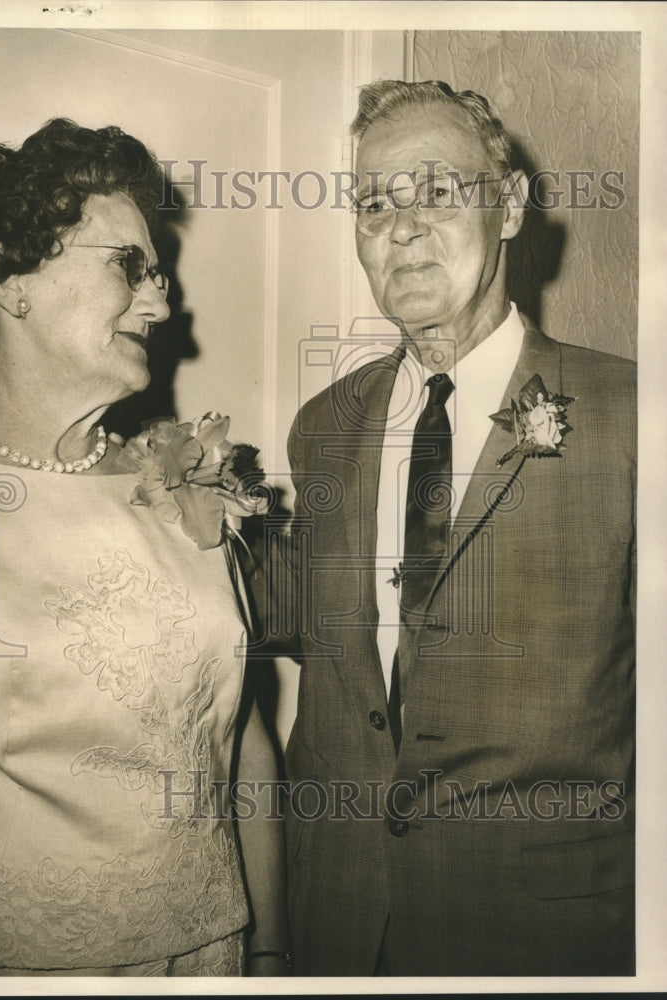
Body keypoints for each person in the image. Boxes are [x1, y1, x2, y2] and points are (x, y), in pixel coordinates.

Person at [0, 118, 286, 977]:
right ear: (10, 277)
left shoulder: (187, 483)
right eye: (128, 266)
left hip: (206, 956)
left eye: (159, 271)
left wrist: (270, 944)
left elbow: (245, 741)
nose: (162, 300)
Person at [282, 81, 635, 976]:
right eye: (373, 204)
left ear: (510, 207)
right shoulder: (321, 428)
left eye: (437, 193)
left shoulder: (638, 416)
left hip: (547, 937)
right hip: (340, 925)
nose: (401, 230)